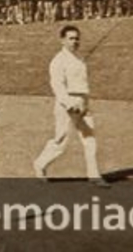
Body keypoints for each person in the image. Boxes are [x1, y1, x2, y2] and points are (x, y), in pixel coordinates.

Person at [33, 25, 110, 188]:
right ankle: (40, 164)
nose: (75, 42)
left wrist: (84, 102)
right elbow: (57, 85)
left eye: (77, 38)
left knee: (90, 139)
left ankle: (94, 175)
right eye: (71, 38)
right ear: (62, 40)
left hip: (83, 101)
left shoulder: (79, 58)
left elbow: (82, 83)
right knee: (61, 142)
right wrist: (69, 104)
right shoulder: (58, 61)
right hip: (67, 104)